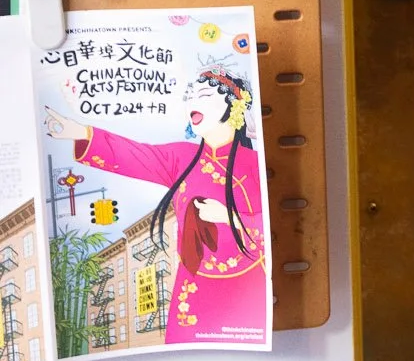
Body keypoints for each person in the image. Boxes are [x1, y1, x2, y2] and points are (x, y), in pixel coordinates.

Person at [44, 66, 268, 345]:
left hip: (249, 285)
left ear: (233, 107)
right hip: (193, 287)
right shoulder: (181, 157)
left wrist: (229, 217)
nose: (193, 102)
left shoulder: (256, 163)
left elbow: (269, 222)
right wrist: (81, 132)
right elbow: (135, 154)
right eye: (191, 96)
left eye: (205, 95)